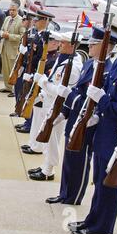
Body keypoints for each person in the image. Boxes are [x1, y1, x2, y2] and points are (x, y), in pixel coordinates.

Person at [69, 10, 117, 234]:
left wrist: (102, 100)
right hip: (103, 130)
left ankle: (102, 225)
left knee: (109, 181)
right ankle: (93, 219)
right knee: (99, 179)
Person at [46, 26, 117, 204]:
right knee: (69, 159)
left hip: (87, 122)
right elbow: (80, 90)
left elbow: (92, 98)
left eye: (94, 44)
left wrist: (68, 95)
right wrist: (64, 111)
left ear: (106, 46)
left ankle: (74, 196)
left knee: (80, 161)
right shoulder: (89, 64)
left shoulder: (107, 70)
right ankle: (65, 193)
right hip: (75, 118)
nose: (90, 47)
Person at [28, 31, 83, 181]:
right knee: (47, 135)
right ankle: (46, 164)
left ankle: (48, 171)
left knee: (52, 138)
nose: (60, 44)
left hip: (60, 107)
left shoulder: (73, 66)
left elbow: (61, 92)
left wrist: (43, 82)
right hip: (50, 102)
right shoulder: (63, 59)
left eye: (64, 43)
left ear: (72, 46)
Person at [20, 30, 61, 153]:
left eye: (47, 43)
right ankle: (33, 143)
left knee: (39, 121)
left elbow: (46, 78)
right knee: (36, 119)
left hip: (44, 95)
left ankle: (37, 147)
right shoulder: (47, 56)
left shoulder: (53, 59)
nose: (44, 45)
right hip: (38, 92)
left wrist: (33, 78)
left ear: (55, 44)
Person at [15, 10, 55, 135]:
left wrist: (32, 72)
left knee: (32, 98)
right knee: (27, 96)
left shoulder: (45, 38)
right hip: (30, 70)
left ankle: (29, 124)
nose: (34, 22)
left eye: (37, 20)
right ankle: (28, 122)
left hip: (35, 72)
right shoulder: (38, 35)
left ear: (45, 21)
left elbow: (39, 58)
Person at [0, 1, 25, 96]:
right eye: (10, 10)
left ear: (18, 10)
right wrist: (2, 34)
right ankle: (8, 87)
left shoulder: (21, 21)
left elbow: (22, 36)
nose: (11, 12)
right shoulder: (7, 19)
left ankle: (14, 89)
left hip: (13, 49)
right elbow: (1, 30)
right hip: (4, 47)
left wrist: (9, 36)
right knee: (5, 69)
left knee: (13, 70)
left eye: (13, 10)